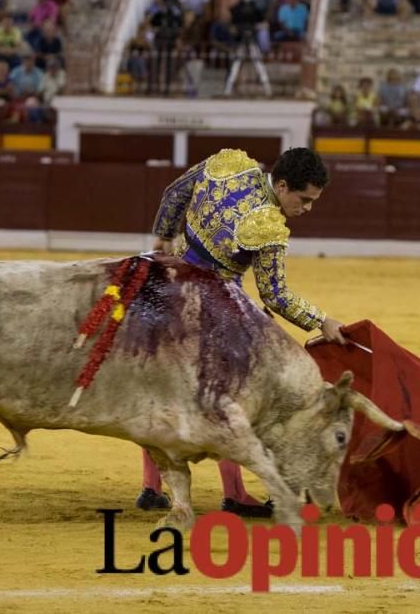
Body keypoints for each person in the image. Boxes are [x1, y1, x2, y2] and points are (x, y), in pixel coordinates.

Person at [138, 147, 348, 516]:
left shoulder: (230, 164)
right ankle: (234, 494)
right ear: (281, 186)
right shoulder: (268, 225)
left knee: (162, 389)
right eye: (304, 199)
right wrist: (321, 320)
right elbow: (276, 295)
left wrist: (162, 237)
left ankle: (151, 489)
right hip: (210, 310)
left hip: (166, 286)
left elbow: (173, 192)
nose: (307, 209)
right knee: (230, 397)